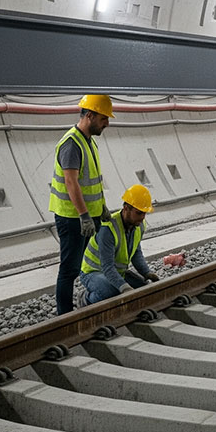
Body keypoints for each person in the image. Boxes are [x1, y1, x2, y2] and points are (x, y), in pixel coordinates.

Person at [50, 94, 114, 315]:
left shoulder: (89, 142)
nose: (107, 123)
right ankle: (64, 315)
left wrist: (102, 207)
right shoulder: (71, 143)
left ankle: (84, 300)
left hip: (88, 217)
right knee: (69, 269)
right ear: (90, 115)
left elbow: (93, 182)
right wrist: (84, 215)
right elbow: (71, 182)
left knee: (83, 265)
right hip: (73, 218)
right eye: (104, 118)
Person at [78, 185, 160, 305]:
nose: (142, 218)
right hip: (93, 272)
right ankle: (86, 298)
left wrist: (147, 273)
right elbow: (107, 267)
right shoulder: (108, 229)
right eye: (139, 213)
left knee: (144, 289)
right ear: (126, 208)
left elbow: (136, 253)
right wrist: (124, 288)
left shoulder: (138, 225)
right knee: (110, 291)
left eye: (145, 214)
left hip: (116, 272)